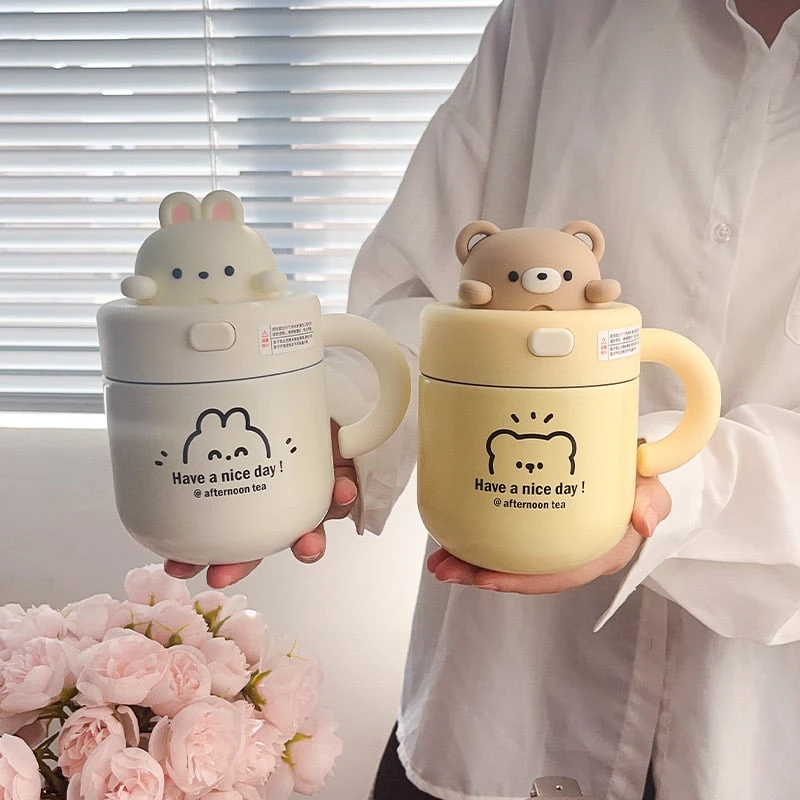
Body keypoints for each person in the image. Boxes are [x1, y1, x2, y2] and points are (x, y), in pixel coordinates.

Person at [166, 1, 800, 798]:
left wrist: (677, 484)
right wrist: (331, 426)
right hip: (497, 718)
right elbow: (422, 301)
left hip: (751, 743)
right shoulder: (555, 18)